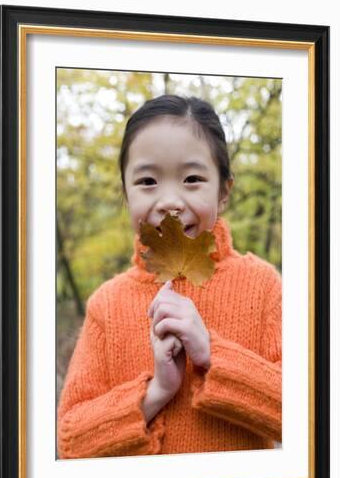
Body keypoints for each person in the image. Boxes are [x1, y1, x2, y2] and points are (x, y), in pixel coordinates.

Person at [57, 94, 282, 459]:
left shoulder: (263, 286)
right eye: (147, 181)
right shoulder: (107, 304)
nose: (170, 201)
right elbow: (71, 441)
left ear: (223, 191)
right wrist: (156, 392)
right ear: (126, 194)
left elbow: (309, 415)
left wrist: (213, 355)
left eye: (192, 178)